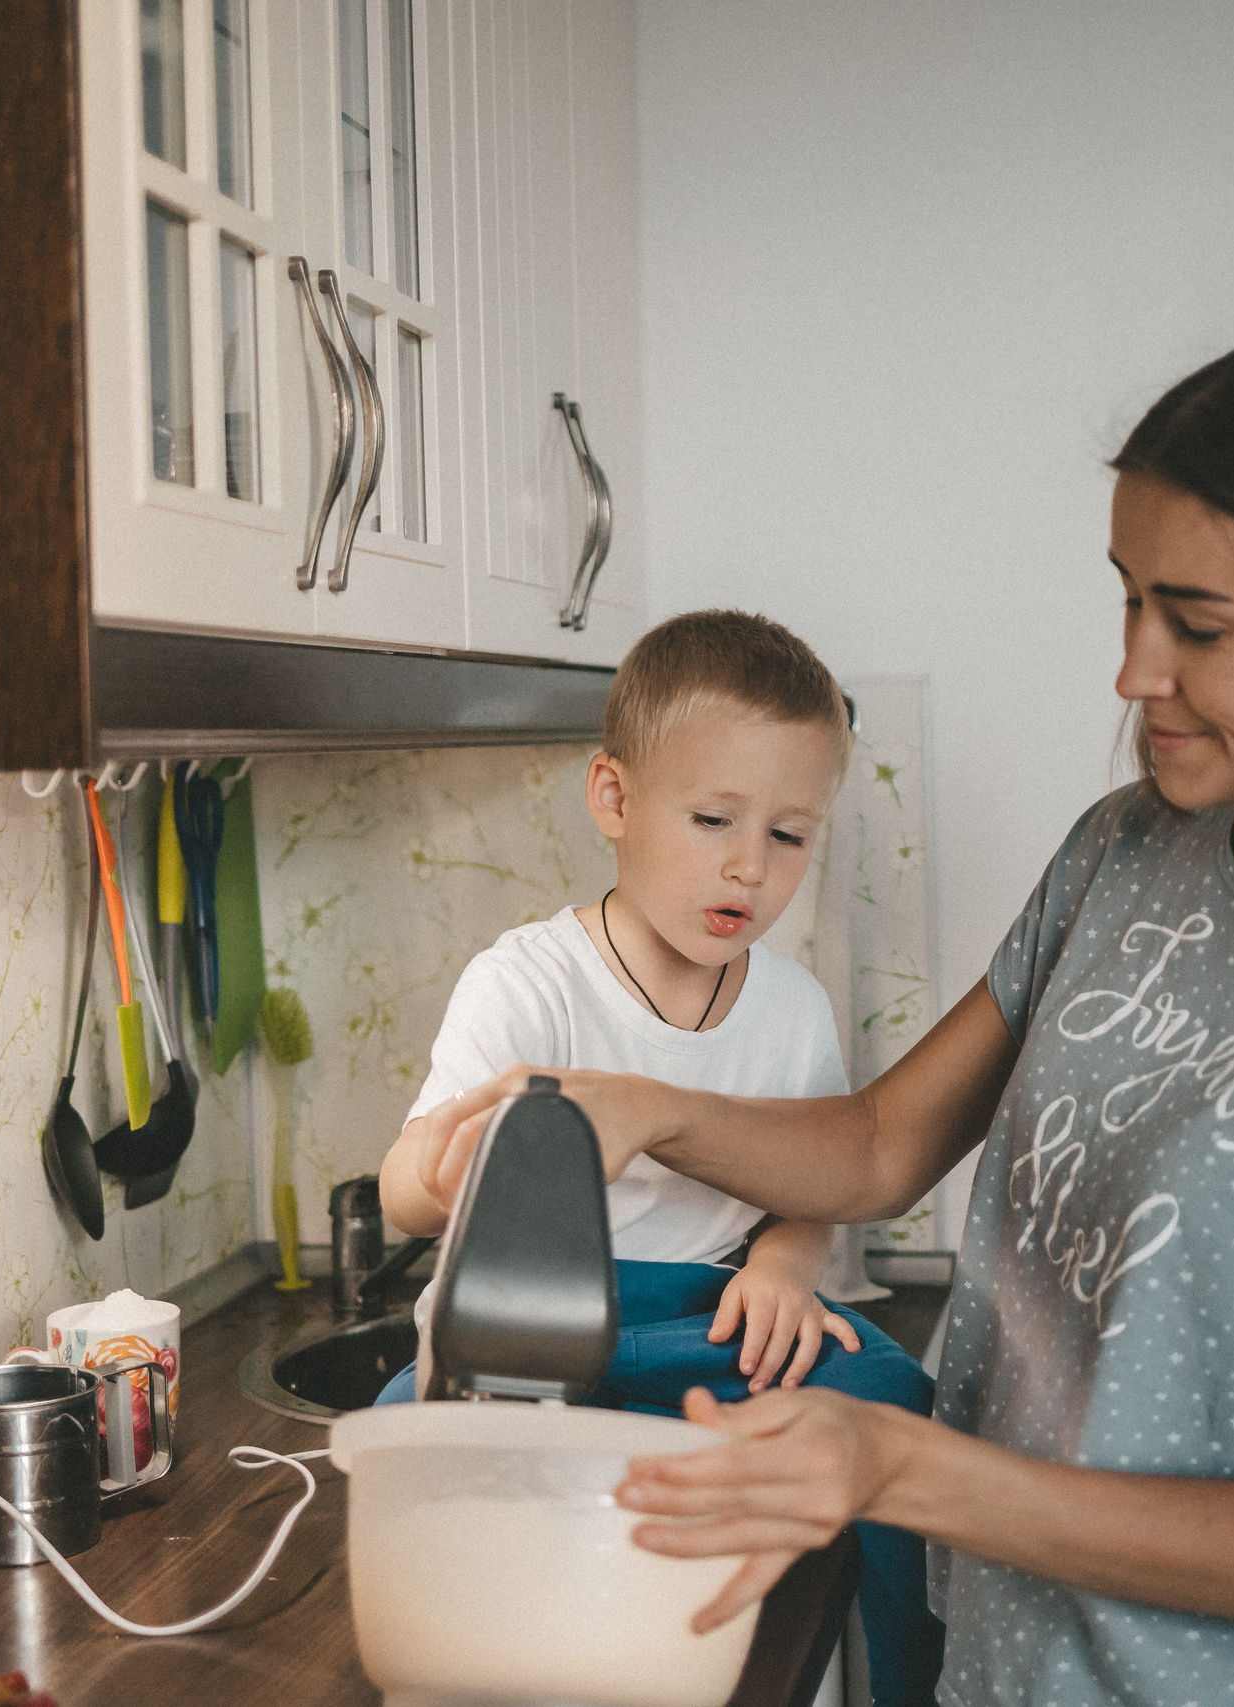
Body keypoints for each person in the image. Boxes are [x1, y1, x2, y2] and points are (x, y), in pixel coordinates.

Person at [408, 308, 1234, 1707]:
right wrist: (643, 1105)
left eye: (1198, 623)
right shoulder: (1129, 848)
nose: (1134, 670)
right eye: (1130, 599)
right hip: (983, 1657)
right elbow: (872, 1145)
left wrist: (906, 1464)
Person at [376, 608, 947, 1707]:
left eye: (788, 836)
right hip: (534, 1343)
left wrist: (784, 1267)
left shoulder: (789, 1004)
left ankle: (906, 1687)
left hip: (712, 1326)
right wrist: (447, 1175)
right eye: (712, 818)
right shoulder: (526, 981)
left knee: (888, 1396)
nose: (749, 865)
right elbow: (410, 1185)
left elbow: (817, 1181)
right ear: (615, 799)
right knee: (412, 1435)